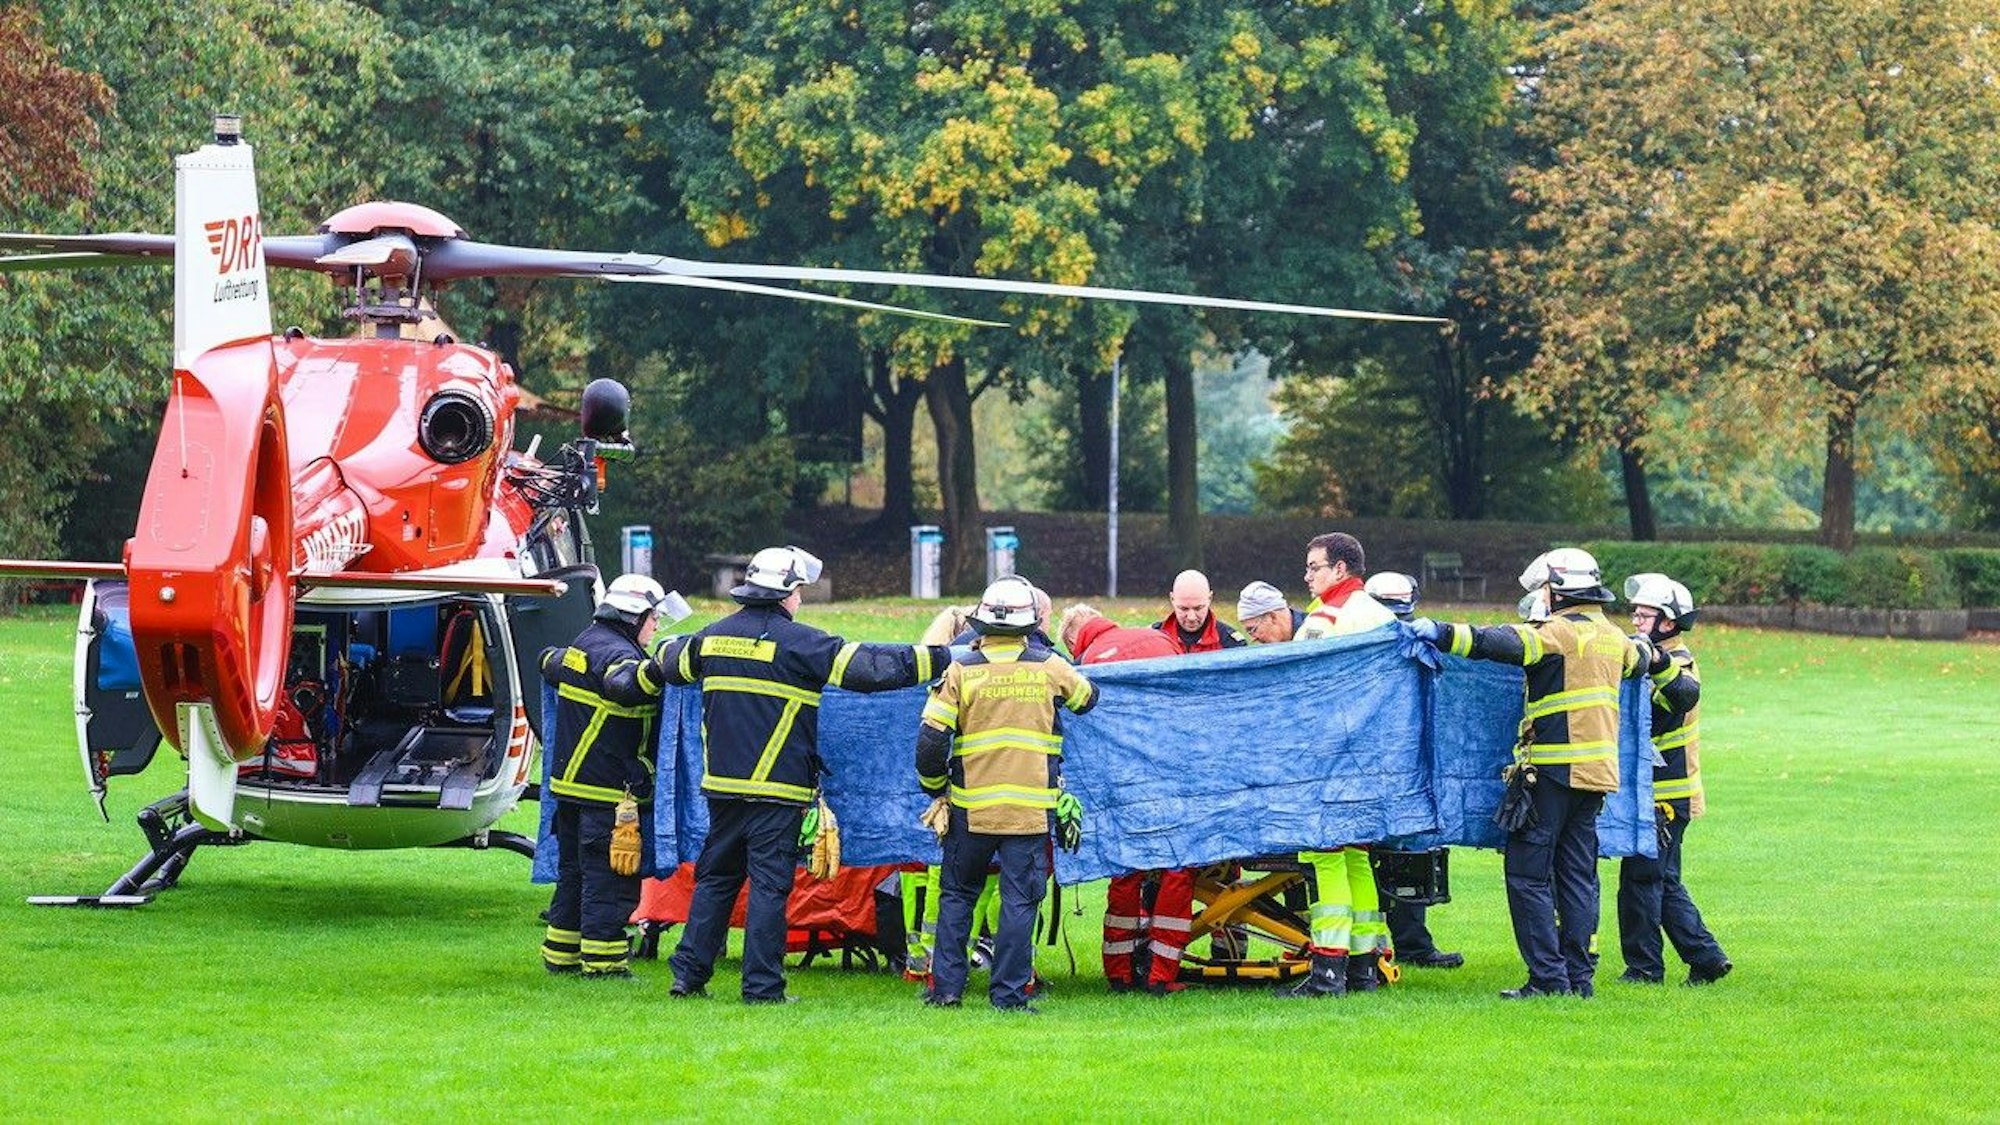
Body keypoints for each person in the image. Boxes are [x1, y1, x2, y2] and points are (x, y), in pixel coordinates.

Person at [658, 546, 948, 1004]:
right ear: (787, 594)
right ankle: (762, 987)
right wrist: (944, 658)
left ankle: (688, 976)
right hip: (778, 791)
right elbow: (871, 669)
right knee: (770, 889)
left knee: (716, 880)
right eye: (800, 592)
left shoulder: (710, 639)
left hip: (723, 788)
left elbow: (668, 663)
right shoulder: (801, 643)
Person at [1408, 547, 1647, 998]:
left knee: (1528, 875)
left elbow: (1496, 642)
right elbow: (1647, 661)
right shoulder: (1615, 638)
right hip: (1596, 777)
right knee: (1577, 876)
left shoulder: (1557, 633)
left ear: (1557, 590)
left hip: (1551, 774)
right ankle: (1579, 978)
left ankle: (1547, 979)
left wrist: (1438, 632)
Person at [918, 578, 1099, 1013]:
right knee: (1019, 901)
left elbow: (929, 741)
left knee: (958, 896)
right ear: (1029, 623)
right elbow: (1088, 699)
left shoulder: (962, 670)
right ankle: (1010, 996)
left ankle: (946, 991)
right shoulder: (1049, 666)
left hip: (970, 809)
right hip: (1028, 812)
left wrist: (935, 790)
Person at [1279, 532, 1397, 997]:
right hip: (1372, 757)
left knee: (1325, 857)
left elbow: (1299, 684)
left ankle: (1328, 974)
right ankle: (1364, 968)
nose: (1307, 576)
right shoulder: (1382, 615)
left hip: (1327, 754)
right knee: (1357, 858)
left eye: (1314, 567)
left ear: (1340, 570)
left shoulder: (1325, 619)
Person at [1057, 603, 1197, 995]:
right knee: (1176, 870)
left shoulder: (1084, 663)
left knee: (1125, 870)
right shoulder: (1159, 639)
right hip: (1171, 775)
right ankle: (1160, 976)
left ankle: (1119, 973)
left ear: (1073, 639)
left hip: (1119, 782)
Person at [539, 574, 671, 978]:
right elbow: (623, 684)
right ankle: (605, 963)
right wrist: (663, 668)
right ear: (633, 617)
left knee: (574, 875)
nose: (657, 627)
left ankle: (561, 955)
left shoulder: (584, 643)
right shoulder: (618, 657)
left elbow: (548, 660)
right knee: (608, 881)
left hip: (571, 788)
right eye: (653, 619)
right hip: (606, 791)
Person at [1617, 573, 1732, 986]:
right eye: (1635, 613)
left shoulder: (1678, 665)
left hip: (1665, 795)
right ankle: (1706, 959)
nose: (1634, 621)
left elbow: (1663, 712)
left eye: (1643, 615)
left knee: (1642, 882)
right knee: (1661, 881)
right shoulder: (1649, 660)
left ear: (1668, 622)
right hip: (1656, 793)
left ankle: (1645, 968)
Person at [1360, 571, 1464, 971]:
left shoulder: (1418, 640)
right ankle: (1381, 947)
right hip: (1374, 766)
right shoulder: (1360, 644)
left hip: (1406, 767)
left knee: (1407, 851)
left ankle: (1412, 946)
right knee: (1376, 855)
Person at [1152, 570, 1247, 653]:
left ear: (1210, 598)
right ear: (1172, 599)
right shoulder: (1152, 639)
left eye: (1198, 608)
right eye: (1183, 609)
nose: (1191, 617)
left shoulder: (1231, 644)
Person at [1236, 580, 1305, 644]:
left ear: (1272, 617)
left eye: (1253, 630)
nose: (1253, 639)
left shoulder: (1313, 632)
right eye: (1249, 633)